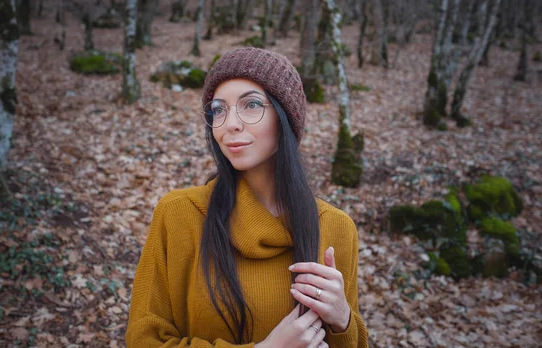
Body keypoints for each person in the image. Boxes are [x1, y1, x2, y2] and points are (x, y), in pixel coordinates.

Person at [126, 47, 369, 347]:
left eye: (251, 105)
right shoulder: (178, 215)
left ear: (285, 119)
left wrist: (342, 319)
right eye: (218, 109)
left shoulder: (337, 229)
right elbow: (143, 339)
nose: (230, 124)